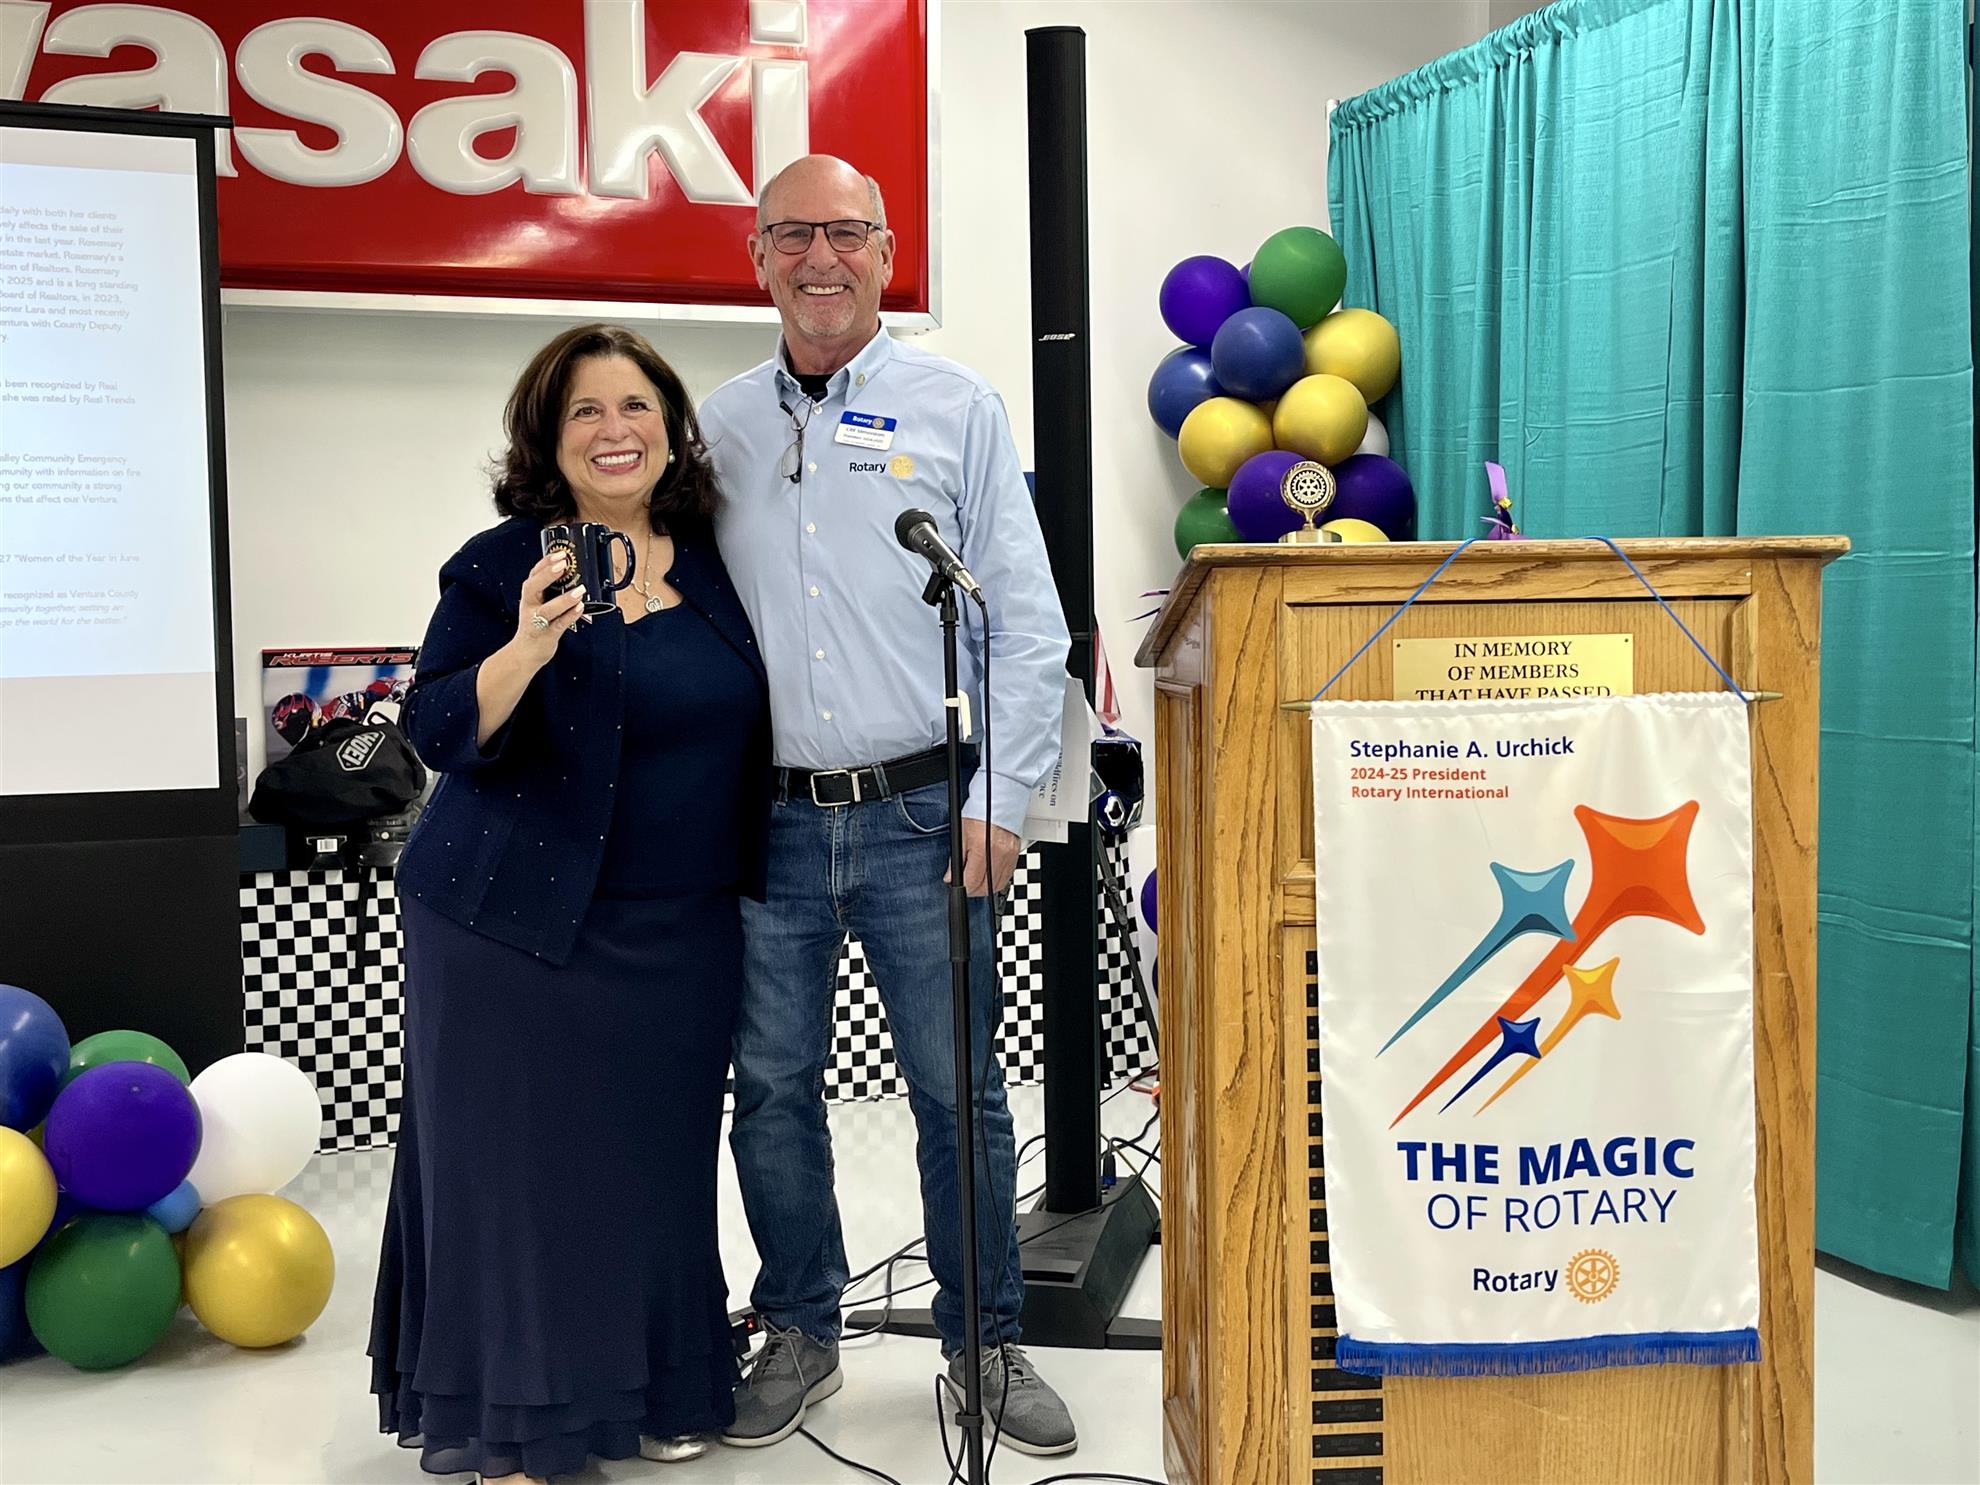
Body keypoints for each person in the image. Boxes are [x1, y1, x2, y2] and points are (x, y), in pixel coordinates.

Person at [698, 155, 1078, 1456]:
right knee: (772, 1090)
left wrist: (1004, 796)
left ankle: (984, 1340)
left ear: (886, 251)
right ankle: (801, 1330)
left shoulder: (957, 407)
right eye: (793, 234)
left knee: (957, 1093)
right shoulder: (718, 426)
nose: (821, 258)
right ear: (757, 257)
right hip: (769, 823)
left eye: (846, 233)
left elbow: (1022, 621)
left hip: (927, 813)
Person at [368, 324, 771, 1482]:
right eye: (584, 411)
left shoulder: (717, 560)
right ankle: (521, 1423)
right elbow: (436, 726)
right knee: (521, 1184)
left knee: (654, 1172)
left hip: (681, 929)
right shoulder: (499, 565)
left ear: (672, 430)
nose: (614, 430)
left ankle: (651, 1389)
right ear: (547, 441)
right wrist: (527, 646)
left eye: (635, 406)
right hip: (514, 924)